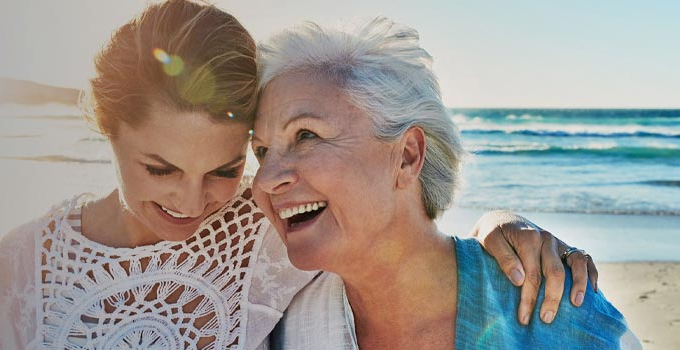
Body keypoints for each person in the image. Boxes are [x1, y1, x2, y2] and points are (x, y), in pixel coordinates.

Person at [0, 2, 600, 349]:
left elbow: (395, 231)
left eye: (228, 168)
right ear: (106, 130)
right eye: (159, 167)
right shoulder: (27, 261)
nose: (191, 200)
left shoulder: (266, 236)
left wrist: (503, 225)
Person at [250, 17, 638, 348]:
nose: (266, 179)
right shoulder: (274, 325)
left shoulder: (556, 309)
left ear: (407, 157)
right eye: (262, 151)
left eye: (306, 135)